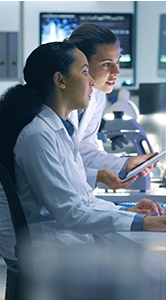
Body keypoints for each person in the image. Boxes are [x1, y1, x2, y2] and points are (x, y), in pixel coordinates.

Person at [0, 41, 166, 300]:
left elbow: (80, 199)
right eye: (85, 71)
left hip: (62, 242)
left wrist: (133, 212)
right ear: (60, 80)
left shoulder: (58, 131)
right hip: (56, 249)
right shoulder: (38, 136)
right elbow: (71, 211)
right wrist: (138, 224)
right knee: (153, 281)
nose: (92, 82)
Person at [67, 23, 155, 189]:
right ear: (81, 64)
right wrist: (97, 176)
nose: (116, 71)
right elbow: (59, 168)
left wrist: (126, 164)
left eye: (117, 62)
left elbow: (84, 151)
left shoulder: (98, 95)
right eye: (107, 64)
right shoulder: (54, 104)